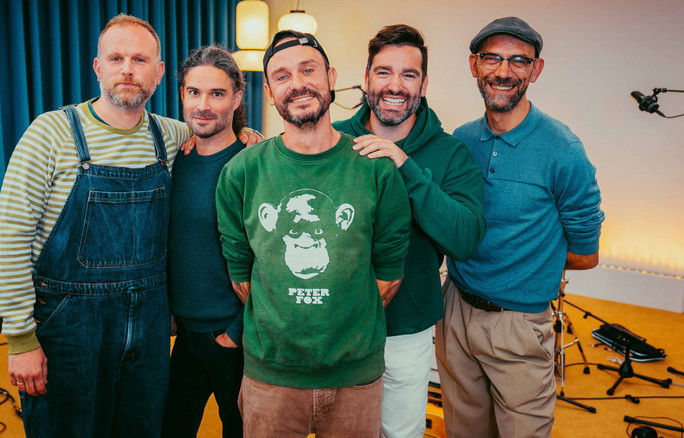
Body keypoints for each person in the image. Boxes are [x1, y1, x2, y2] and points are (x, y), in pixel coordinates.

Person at [0, 14, 191, 437]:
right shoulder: (51, 133)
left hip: (150, 325)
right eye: (116, 58)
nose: (127, 69)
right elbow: (8, 239)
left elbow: (223, 138)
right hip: (69, 325)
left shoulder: (173, 137)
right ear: (98, 68)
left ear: (158, 72)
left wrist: (248, 136)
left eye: (140, 59)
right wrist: (21, 340)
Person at [215, 30, 411, 437]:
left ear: (331, 77)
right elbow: (242, 278)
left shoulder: (375, 167)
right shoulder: (242, 172)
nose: (298, 83)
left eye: (308, 70)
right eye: (282, 76)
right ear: (269, 92)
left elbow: (389, 278)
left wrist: (341, 314)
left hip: (355, 378)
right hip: (270, 377)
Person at [435, 16, 605, 438]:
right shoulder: (461, 140)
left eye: (518, 61)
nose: (503, 71)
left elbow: (586, 254)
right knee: (463, 430)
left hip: (518, 324)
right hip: (455, 309)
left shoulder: (562, 149)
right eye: (492, 58)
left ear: (536, 69)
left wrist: (524, 267)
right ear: (474, 65)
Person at [332, 24, 486, 438]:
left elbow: (466, 239)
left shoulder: (451, 153)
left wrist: (406, 167)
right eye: (384, 72)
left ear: (424, 84)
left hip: (405, 329)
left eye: (409, 74)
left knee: (399, 432)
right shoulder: (333, 139)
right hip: (336, 323)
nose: (395, 86)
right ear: (367, 78)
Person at [164, 45, 246, 438]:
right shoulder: (172, 159)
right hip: (183, 334)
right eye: (194, 92)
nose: (203, 105)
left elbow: (271, 259)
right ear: (182, 94)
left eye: (217, 94)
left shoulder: (252, 163)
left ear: (237, 98)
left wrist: (236, 332)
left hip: (233, 336)